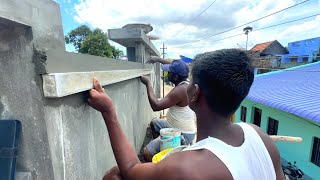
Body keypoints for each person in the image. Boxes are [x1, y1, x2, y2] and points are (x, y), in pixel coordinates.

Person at [88, 49, 284, 180]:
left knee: (116, 176)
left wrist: (109, 111)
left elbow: (130, 169)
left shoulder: (186, 167)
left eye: (191, 82)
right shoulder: (260, 136)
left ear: (196, 93)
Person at [140, 57, 196, 162]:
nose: (167, 74)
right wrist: (158, 59)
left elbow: (156, 106)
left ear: (175, 76)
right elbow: (179, 66)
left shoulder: (180, 90)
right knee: (154, 123)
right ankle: (162, 152)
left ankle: (158, 170)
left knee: (146, 152)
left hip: (182, 134)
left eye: (169, 72)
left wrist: (148, 83)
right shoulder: (186, 83)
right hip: (175, 126)